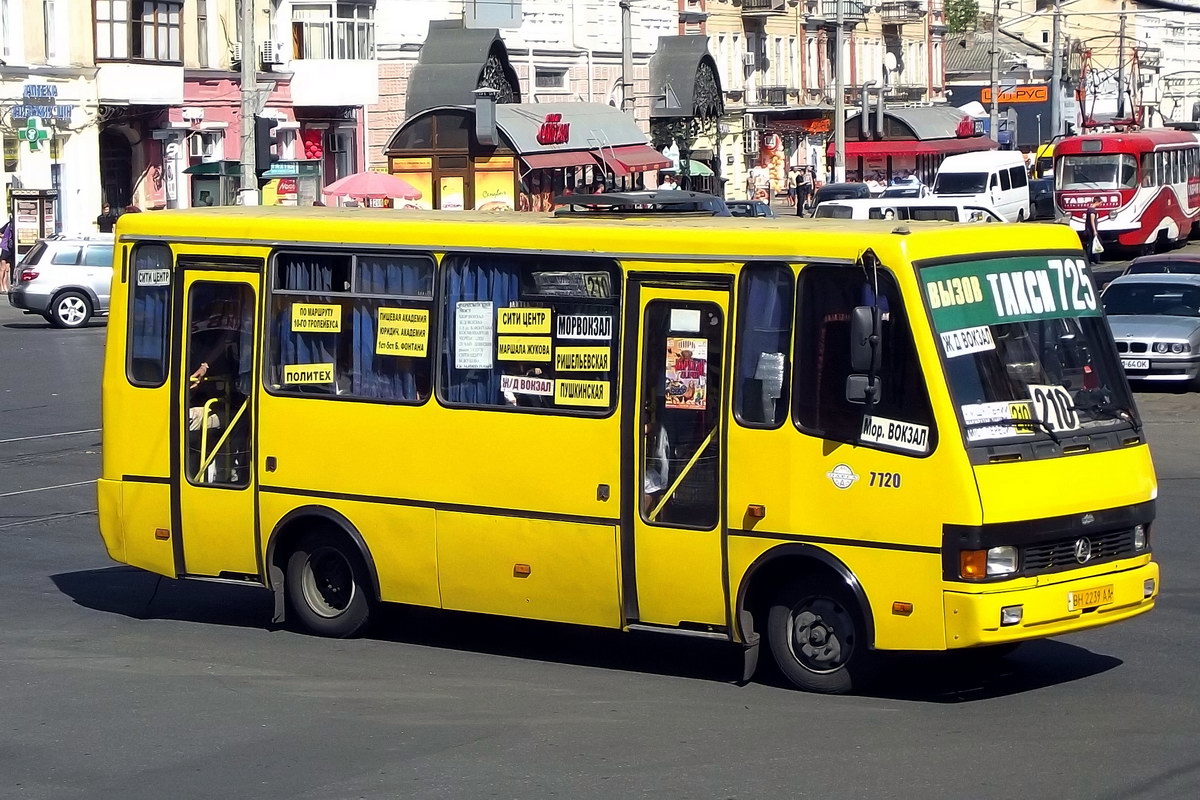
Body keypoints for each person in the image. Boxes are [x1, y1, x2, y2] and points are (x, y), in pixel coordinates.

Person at [1082, 199, 1102, 264]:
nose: (1100, 205)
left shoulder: (1090, 209)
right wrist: (1094, 231)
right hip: (1091, 231)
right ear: (1097, 202)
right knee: (1091, 244)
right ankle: (1091, 260)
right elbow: (1092, 221)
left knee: (1092, 244)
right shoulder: (1092, 211)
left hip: (1089, 230)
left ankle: (1094, 259)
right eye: (1100, 203)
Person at [0, 218, 13, 295]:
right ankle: (1, 286)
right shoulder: (8, 224)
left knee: (7, 269)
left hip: (11, 249)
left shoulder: (13, 225)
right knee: (2, 268)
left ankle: (5, 286)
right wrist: (4, 237)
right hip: (5, 248)